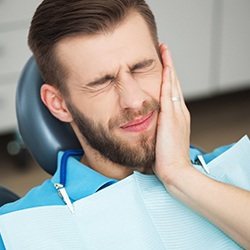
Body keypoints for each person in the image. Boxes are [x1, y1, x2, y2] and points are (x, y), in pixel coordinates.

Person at [0, 0, 250, 249]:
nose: (134, 100)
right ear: (59, 104)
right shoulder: (17, 231)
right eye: (102, 82)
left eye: (141, 67)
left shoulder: (237, 166)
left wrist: (180, 175)